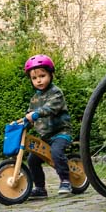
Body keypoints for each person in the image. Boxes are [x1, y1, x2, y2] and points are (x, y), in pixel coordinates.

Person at [24, 54, 72, 196]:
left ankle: (65, 181)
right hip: (46, 137)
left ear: (51, 75)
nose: (38, 80)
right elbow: (30, 114)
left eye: (42, 76)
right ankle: (40, 188)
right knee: (32, 159)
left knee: (56, 152)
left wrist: (36, 114)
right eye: (34, 78)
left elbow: (50, 108)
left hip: (61, 133)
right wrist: (24, 122)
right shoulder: (34, 98)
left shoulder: (56, 93)